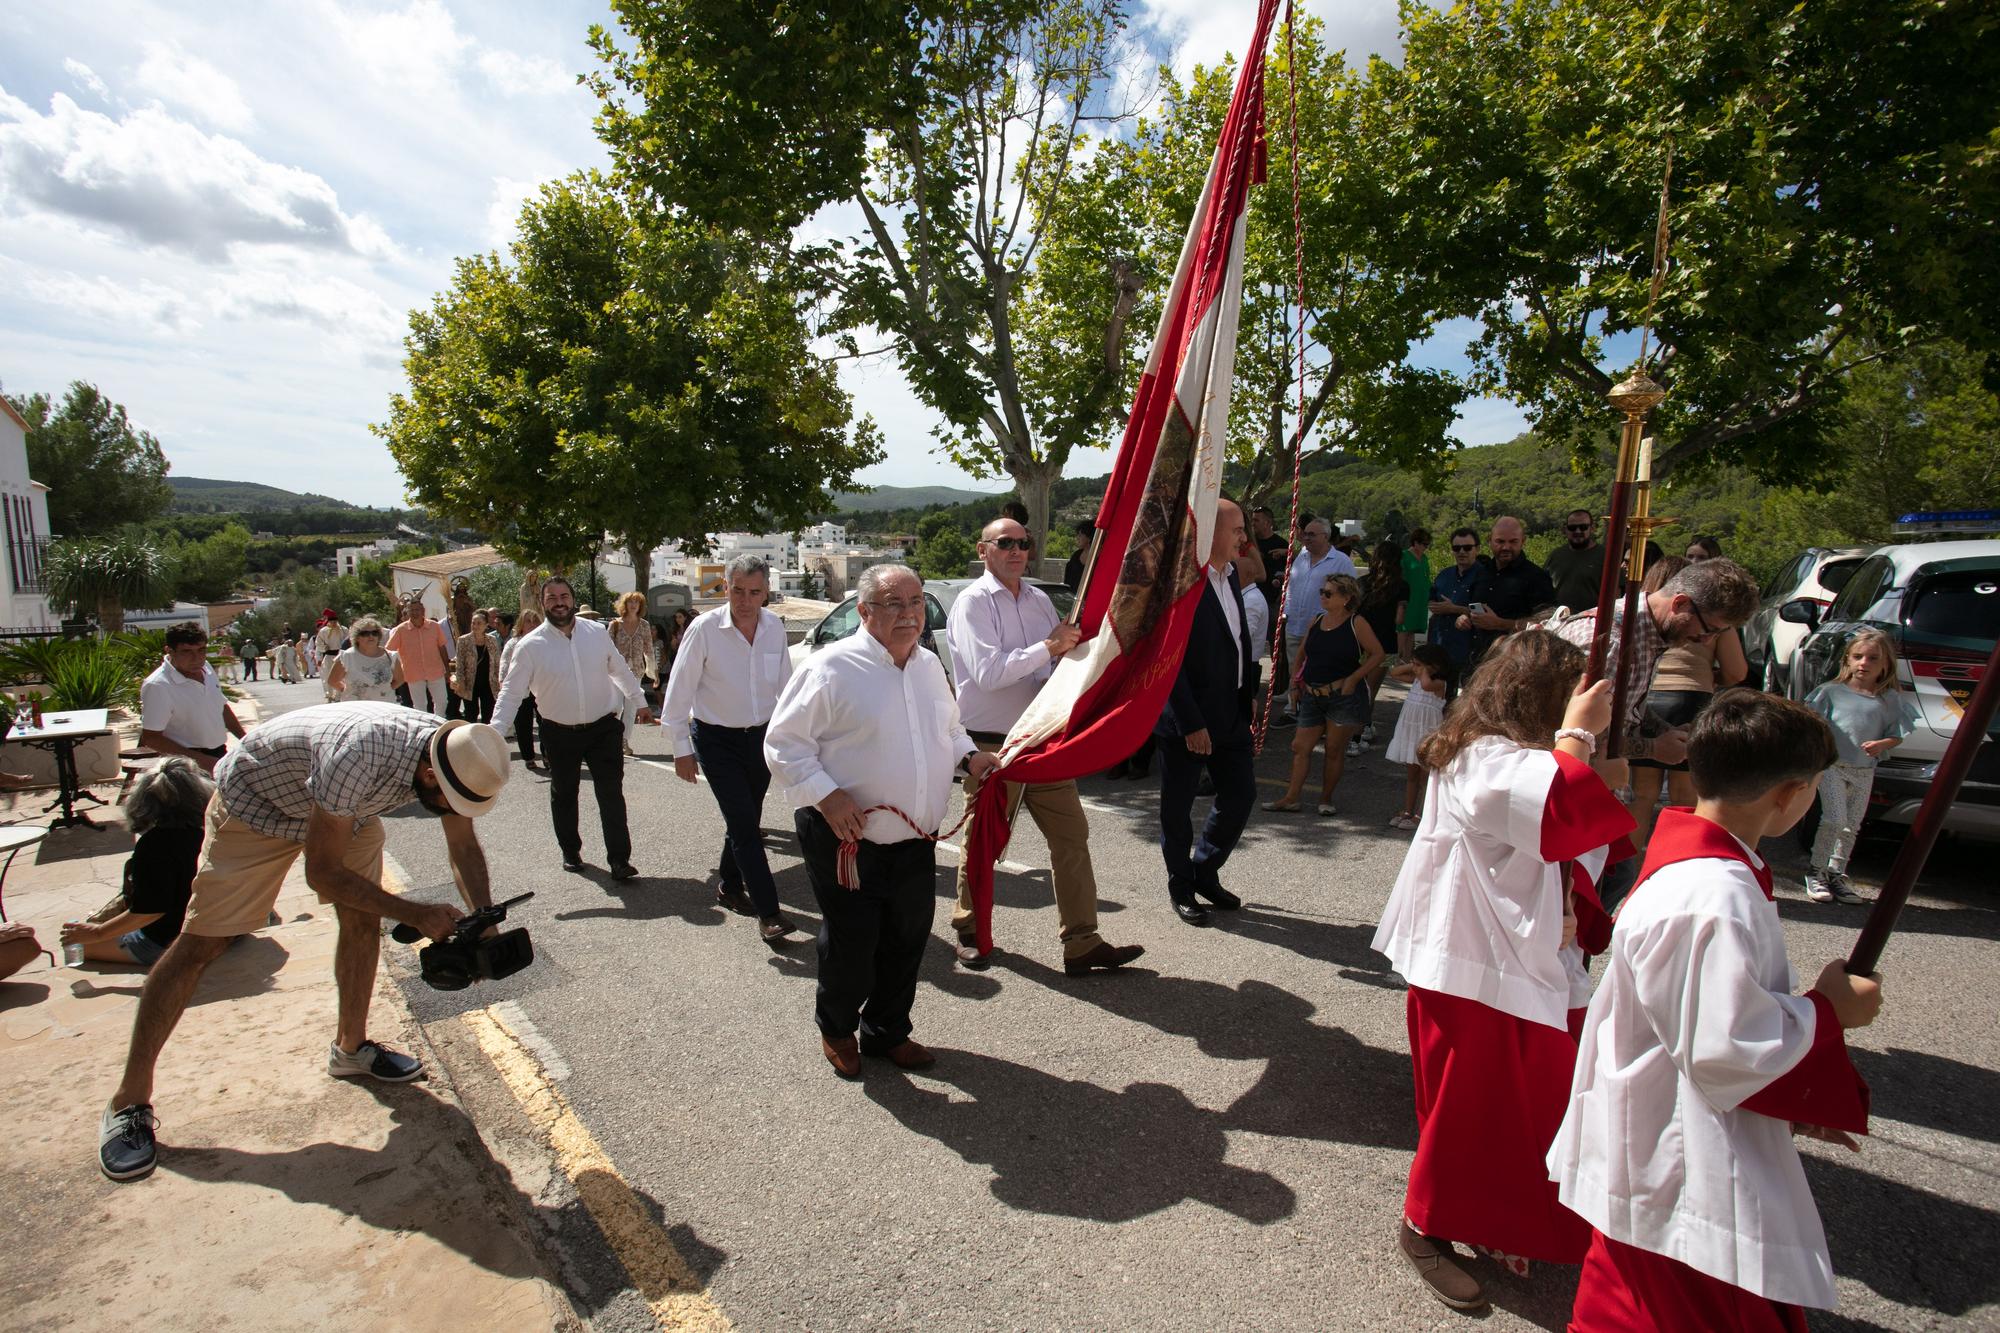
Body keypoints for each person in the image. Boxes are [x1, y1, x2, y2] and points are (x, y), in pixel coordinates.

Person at [1550, 690, 1877, 1332]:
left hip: (1660, 1132)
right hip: (1678, 1158)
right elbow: (1724, 1051)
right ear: (1789, 794)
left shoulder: (1708, 874)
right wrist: (1829, 1013)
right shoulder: (1711, 897)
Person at [93, 706, 514, 1183]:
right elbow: (323, 871)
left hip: (344, 812)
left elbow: (462, 846)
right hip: (259, 808)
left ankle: (350, 1049)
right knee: (202, 945)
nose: (452, 808)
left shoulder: (458, 754)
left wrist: (484, 919)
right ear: (426, 772)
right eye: (448, 798)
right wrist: (415, 913)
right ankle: (128, 1102)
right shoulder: (358, 754)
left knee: (361, 923)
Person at [1371, 632, 1631, 1311]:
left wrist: (1568, 906)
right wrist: (1577, 735)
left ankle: (1482, 1221)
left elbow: (1565, 839)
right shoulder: (1483, 757)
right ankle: (1422, 1227)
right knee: (1469, 1112)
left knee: (1518, 1111)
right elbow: (1554, 808)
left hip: (1509, 959)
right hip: (1468, 964)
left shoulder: (1517, 753)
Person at [765, 564, 999, 1078]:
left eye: (916, 602)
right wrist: (827, 797)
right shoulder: (830, 667)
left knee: (907, 938)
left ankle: (887, 1031)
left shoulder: (927, 666)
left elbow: (950, 728)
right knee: (853, 942)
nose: (909, 614)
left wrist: (970, 757)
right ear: (864, 610)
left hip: (915, 838)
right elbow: (783, 745)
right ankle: (837, 1028)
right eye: (894, 603)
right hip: (847, 838)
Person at [946, 517, 1145, 976]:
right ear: (983, 550)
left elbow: (1050, 669)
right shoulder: (971, 604)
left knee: (1072, 838)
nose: (1017, 550)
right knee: (983, 839)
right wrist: (1050, 647)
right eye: (1005, 543)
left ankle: (1082, 942)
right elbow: (990, 674)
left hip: (1041, 740)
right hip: (993, 746)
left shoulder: (1038, 599)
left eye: (1024, 543)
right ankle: (970, 929)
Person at [663, 555, 798, 943]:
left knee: (745, 819)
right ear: (726, 587)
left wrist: (793, 736)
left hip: (760, 739)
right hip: (715, 739)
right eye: (737, 590)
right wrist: (680, 749)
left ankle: (728, 884)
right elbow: (679, 690)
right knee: (745, 826)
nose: (745, 599)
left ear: (766, 593)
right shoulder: (704, 629)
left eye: (754, 592)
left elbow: (786, 687)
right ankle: (770, 913)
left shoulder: (773, 627)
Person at [489, 577, 652, 880]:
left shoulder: (596, 633)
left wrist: (640, 702)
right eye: (552, 597)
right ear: (543, 603)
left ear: (573, 600)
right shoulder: (529, 646)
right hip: (559, 731)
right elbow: (511, 693)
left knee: (611, 794)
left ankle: (619, 860)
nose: (559, 602)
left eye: (564, 596)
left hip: (603, 728)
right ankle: (571, 851)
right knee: (564, 793)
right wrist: (494, 734)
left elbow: (619, 668)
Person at [1155, 500, 1258, 927]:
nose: (1244, 539)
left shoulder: (1232, 576)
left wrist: (1247, 692)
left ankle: (1205, 871)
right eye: (1236, 530)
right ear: (1210, 532)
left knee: (1240, 794)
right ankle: (1181, 885)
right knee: (1177, 808)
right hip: (1187, 719)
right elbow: (1168, 660)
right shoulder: (1182, 582)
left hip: (1230, 711)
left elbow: (1238, 642)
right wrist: (1191, 723)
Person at [61, 757, 212, 968]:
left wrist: (97, 933)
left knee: (77, 944)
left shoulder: (155, 845)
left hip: (173, 941)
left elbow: (152, 910)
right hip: (220, 930)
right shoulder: (210, 832)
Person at [1803, 628, 1911, 905]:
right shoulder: (1830, 692)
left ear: (1886, 664)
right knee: (1834, 819)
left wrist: (1881, 744)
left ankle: (1836, 873)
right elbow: (1811, 725)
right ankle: (1816, 870)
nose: (1864, 663)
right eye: (1858, 656)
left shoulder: (1889, 700)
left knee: (1851, 826)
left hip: (1864, 770)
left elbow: (1897, 734)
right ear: (1847, 660)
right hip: (1833, 767)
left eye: (1873, 658)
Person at [1262, 572, 1384, 817]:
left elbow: (1378, 654)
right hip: (1312, 693)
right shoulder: (1317, 620)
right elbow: (1300, 657)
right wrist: (1296, 685)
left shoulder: (1356, 623)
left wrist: (1353, 679)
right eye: (1322, 592)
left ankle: (1326, 799)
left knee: (1334, 749)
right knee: (1300, 746)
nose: (1323, 597)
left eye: (1328, 593)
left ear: (1346, 598)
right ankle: (1291, 798)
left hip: (1343, 696)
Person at [139, 622, 247, 774]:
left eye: (201, 650)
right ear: (170, 651)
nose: (196, 658)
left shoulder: (206, 668)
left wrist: (246, 740)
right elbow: (152, 738)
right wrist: (201, 761)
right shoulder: (158, 685)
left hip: (219, 754)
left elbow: (220, 706)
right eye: (187, 651)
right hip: (183, 766)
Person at [1279, 518, 1358, 719]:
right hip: (1296, 623)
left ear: (1326, 536)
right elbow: (1292, 586)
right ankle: (1293, 708)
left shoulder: (1341, 561)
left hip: (1324, 629)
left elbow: (1351, 594)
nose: (1306, 538)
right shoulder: (1301, 557)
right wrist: (1286, 611)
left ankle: (1313, 711)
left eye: (1311, 534)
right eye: (1305, 533)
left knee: (1317, 671)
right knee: (1294, 667)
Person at [1464, 516, 1555, 657]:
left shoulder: (1537, 577)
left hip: (1514, 661)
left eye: (1513, 542)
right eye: (1500, 541)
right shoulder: (1481, 573)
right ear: (1489, 541)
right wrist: (1465, 618)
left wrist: (1501, 624)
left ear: (1523, 541)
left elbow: (1547, 624)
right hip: (1477, 658)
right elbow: (1471, 606)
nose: (1506, 547)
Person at [1384, 644, 1452, 830]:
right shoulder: (1416, 678)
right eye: (1415, 664)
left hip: (1426, 733)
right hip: (1410, 732)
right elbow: (1394, 673)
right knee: (1411, 774)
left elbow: (1426, 684)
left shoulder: (1439, 683)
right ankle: (1407, 810)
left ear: (1434, 666)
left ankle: (1421, 814)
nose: (1416, 668)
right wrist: (1413, 665)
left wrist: (1423, 670)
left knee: (1425, 777)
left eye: (1419, 664)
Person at [1353, 538, 1409, 755]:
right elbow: (1399, 619)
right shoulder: (1402, 587)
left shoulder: (1362, 583)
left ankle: (1359, 727)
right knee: (1371, 689)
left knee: (1358, 686)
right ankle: (1361, 730)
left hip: (1361, 642)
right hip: (1386, 643)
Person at [1426, 527, 1489, 694]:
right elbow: (1431, 598)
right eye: (1457, 548)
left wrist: (1454, 609)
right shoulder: (1444, 575)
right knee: (1437, 697)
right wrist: (1434, 605)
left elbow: (1482, 611)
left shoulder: (1484, 576)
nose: (1462, 552)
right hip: (1440, 644)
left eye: (1467, 548)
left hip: (1468, 649)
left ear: (1477, 549)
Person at [609, 592, 657, 756]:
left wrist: (653, 672)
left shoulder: (644, 625)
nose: (634, 605)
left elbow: (649, 649)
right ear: (625, 604)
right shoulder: (615, 625)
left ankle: (624, 740)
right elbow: (606, 650)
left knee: (630, 709)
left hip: (636, 671)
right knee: (616, 706)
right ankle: (611, 738)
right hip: (616, 672)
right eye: (630, 602)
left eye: (637, 602)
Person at [387, 598, 453, 715]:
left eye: (417, 609)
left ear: (423, 610)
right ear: (407, 612)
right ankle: (424, 728)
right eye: (411, 610)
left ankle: (438, 724)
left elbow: (442, 647)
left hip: (435, 671)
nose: (415, 612)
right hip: (413, 673)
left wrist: (447, 669)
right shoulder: (401, 630)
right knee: (419, 705)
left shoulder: (434, 626)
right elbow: (389, 650)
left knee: (442, 701)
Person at [326, 615, 404, 704]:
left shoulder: (391, 656)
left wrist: (383, 690)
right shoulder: (347, 656)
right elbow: (332, 681)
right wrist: (350, 692)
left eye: (375, 633)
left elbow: (400, 679)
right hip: (357, 707)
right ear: (357, 637)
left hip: (384, 706)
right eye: (365, 634)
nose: (371, 636)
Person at [501, 609, 542, 770]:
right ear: (521, 624)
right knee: (523, 723)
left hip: (541, 688)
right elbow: (505, 663)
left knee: (546, 723)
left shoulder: (544, 641)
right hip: (522, 688)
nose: (532, 624)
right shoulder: (514, 643)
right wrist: (503, 682)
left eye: (535, 621)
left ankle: (547, 755)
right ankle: (528, 756)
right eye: (528, 621)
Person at [1546, 509, 1605, 614]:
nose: (1578, 531)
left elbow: (1615, 595)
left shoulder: (1606, 556)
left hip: (1590, 622)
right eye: (1572, 528)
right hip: (1558, 620)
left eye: (1583, 527)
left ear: (1592, 528)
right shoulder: (1556, 555)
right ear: (1565, 529)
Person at [451, 610, 502, 725]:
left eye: (479, 623)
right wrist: (460, 681)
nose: (475, 626)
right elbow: (460, 663)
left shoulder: (492, 640)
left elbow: (497, 662)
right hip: (470, 683)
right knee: (471, 714)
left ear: (486, 625)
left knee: (488, 713)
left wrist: (499, 680)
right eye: (473, 623)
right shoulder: (463, 640)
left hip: (488, 683)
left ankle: (486, 738)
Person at [1397, 528, 1432, 661]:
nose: (1426, 547)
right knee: (1402, 629)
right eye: (1424, 544)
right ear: (1415, 542)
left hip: (1420, 598)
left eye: (1427, 545)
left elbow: (1426, 576)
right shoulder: (1404, 556)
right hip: (1407, 598)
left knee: (1412, 630)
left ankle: (1406, 660)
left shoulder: (1424, 558)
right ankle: (1393, 662)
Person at [1063, 520, 1094, 592]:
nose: (1077, 538)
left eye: (1080, 535)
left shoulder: (1101, 559)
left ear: (1089, 537)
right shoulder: (1075, 556)